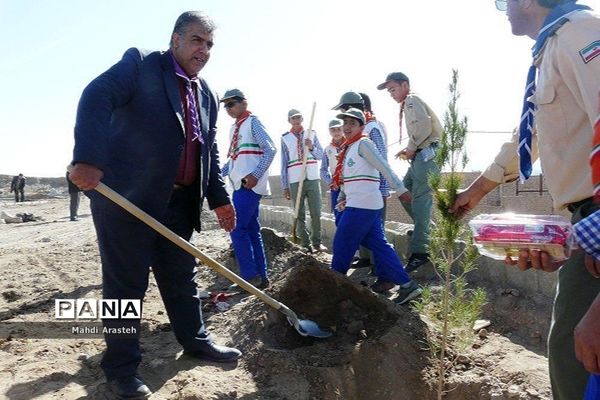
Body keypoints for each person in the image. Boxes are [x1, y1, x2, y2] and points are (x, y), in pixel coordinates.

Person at [69, 11, 241, 399]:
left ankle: (195, 341)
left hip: (178, 201)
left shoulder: (206, 93)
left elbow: (206, 149)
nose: (204, 50)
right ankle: (121, 369)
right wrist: (89, 158)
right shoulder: (142, 65)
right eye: (197, 40)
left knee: (181, 276)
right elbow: (96, 95)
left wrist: (219, 198)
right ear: (175, 39)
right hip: (128, 199)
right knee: (126, 284)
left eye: (210, 44)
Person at [450, 1, 600, 398]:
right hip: (588, 223)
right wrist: (478, 191)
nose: (502, 9)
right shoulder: (553, 48)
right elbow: (529, 135)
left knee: (576, 361)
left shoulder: (582, 34)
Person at [331, 108, 421, 304]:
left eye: (352, 123)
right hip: (360, 204)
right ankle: (408, 286)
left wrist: (400, 189)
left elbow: (384, 167)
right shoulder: (348, 149)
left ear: (362, 127)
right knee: (379, 246)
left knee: (342, 244)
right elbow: (349, 180)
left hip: (363, 206)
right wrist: (342, 198)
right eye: (345, 123)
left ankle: (332, 288)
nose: (347, 127)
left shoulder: (364, 144)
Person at [377, 72, 441, 272]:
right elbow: (420, 129)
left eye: (393, 89)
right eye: (389, 91)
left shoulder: (411, 100)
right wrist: (410, 148)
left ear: (405, 85)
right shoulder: (409, 103)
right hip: (420, 155)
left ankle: (421, 250)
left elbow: (423, 125)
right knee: (406, 192)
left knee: (420, 199)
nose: (391, 94)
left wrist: (411, 146)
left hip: (426, 154)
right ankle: (427, 230)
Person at [219, 88, 276, 289]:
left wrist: (255, 175)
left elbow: (270, 149)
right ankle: (261, 276)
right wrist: (220, 173)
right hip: (238, 185)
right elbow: (234, 158)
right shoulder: (234, 129)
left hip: (249, 186)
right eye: (225, 105)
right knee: (252, 230)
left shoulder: (253, 123)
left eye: (231, 103)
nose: (228, 108)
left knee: (236, 228)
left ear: (244, 103)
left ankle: (249, 277)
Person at [332, 92, 390, 270]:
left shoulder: (371, 129)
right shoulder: (357, 133)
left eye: (345, 109)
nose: (345, 122)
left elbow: (381, 161)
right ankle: (369, 263)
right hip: (359, 191)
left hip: (373, 190)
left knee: (377, 238)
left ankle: (383, 273)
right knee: (368, 233)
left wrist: (381, 189)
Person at [280, 108, 326, 253]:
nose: (296, 120)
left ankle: (317, 242)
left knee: (316, 212)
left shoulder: (312, 134)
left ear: (302, 119)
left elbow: (321, 155)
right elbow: (284, 163)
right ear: (289, 120)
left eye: (298, 117)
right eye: (293, 118)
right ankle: (305, 243)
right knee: (298, 213)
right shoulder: (285, 138)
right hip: (295, 178)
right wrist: (285, 186)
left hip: (312, 177)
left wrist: (311, 147)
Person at [320, 118, 344, 223]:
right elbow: (323, 170)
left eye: (339, 129)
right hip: (335, 186)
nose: (336, 132)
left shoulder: (349, 145)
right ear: (329, 131)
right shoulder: (328, 149)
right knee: (338, 213)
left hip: (349, 184)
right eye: (333, 130)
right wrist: (330, 182)